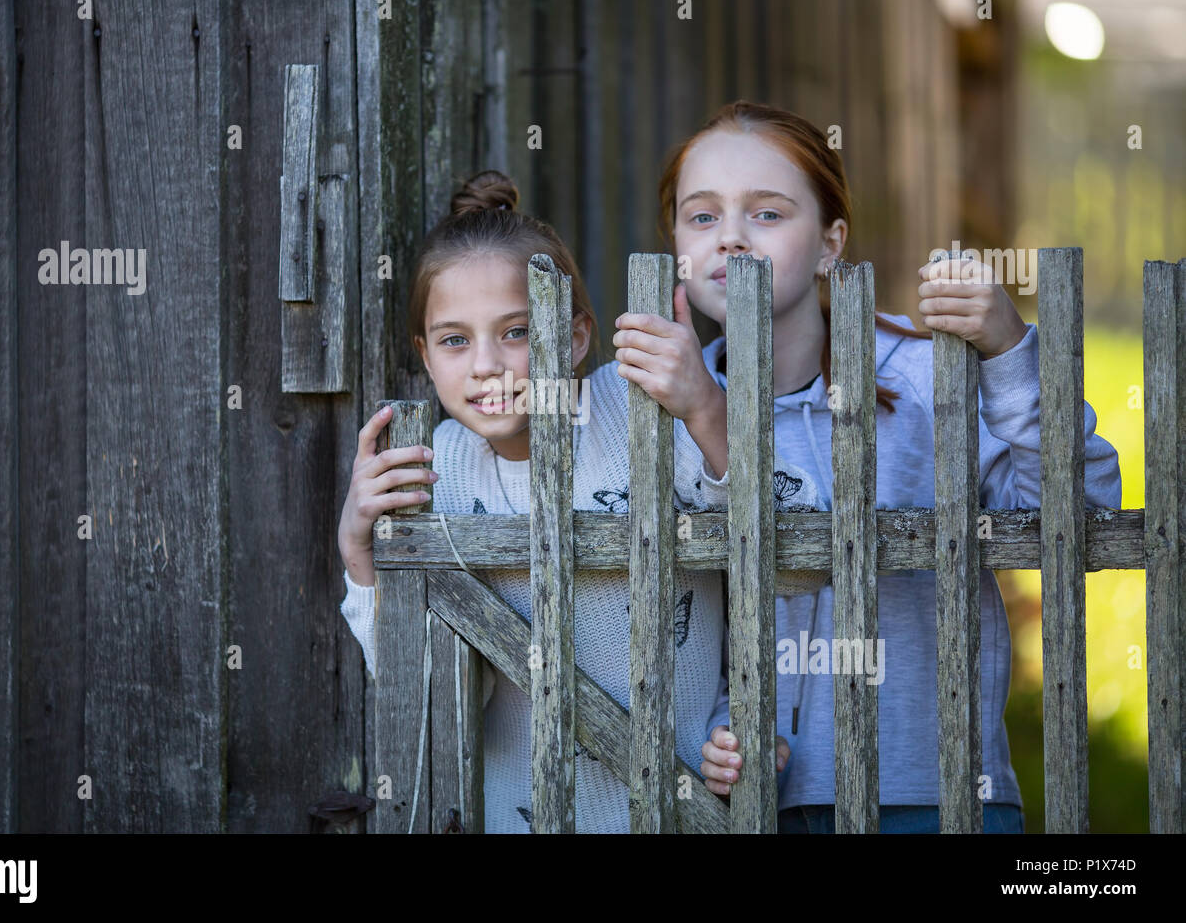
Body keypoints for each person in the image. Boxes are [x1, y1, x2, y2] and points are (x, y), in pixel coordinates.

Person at [667, 101, 1122, 833]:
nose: (730, 238)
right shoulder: (668, 408)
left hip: (930, 795)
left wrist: (1008, 353)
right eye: (701, 217)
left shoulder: (920, 376)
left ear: (829, 244)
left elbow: (1085, 518)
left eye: (769, 214)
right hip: (747, 808)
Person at [336, 169, 797, 832]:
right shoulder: (436, 471)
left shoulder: (635, 408)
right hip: (520, 817)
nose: (486, 363)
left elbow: (770, 548)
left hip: (680, 808)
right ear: (425, 355)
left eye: (517, 332)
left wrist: (704, 405)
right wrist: (361, 554)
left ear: (577, 336)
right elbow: (423, 688)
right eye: (455, 340)